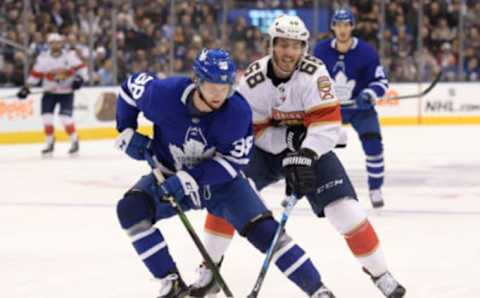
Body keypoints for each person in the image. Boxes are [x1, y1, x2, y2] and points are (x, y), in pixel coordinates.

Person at [191, 15, 406, 298]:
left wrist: (304, 154)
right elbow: (250, 129)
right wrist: (288, 140)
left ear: (303, 48)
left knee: (346, 213)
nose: (289, 52)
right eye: (283, 45)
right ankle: (210, 268)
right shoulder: (254, 80)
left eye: (296, 46)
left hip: (310, 150)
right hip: (264, 152)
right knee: (225, 197)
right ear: (272, 45)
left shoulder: (315, 73)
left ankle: (380, 274)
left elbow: (328, 127)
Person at [114, 48, 335, 298]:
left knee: (265, 232)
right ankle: (171, 281)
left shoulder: (237, 112)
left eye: (225, 86)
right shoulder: (164, 95)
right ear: (198, 80)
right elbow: (130, 88)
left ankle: (318, 290)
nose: (220, 94)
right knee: (131, 209)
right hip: (168, 175)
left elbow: (234, 162)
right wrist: (126, 129)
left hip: (221, 184)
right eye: (213, 86)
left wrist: (190, 179)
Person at [313, 8, 389, 208]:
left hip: (360, 109)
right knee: (310, 148)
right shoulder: (320, 51)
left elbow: (381, 81)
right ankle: (301, 189)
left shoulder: (366, 51)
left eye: (346, 25)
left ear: (352, 27)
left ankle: (375, 189)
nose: (342, 29)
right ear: (332, 27)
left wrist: (369, 94)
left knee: (374, 146)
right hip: (330, 109)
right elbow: (309, 80)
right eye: (338, 25)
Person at [17, 33, 87, 156]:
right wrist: (26, 88)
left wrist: (79, 79)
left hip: (66, 92)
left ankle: (74, 141)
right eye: (52, 43)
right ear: (49, 45)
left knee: (65, 118)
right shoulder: (43, 58)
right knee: (47, 119)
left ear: (61, 43)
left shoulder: (69, 56)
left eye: (58, 42)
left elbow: (82, 69)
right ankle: (49, 143)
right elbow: (35, 75)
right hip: (49, 92)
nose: (55, 45)